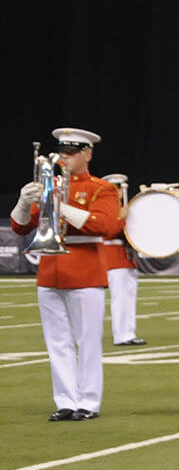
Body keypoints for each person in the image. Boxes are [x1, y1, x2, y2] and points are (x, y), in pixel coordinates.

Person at [11, 128, 121, 420]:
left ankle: (88, 402)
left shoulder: (102, 188)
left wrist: (59, 206)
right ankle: (65, 401)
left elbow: (103, 225)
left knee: (87, 341)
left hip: (85, 272)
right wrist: (24, 202)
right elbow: (21, 227)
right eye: (63, 153)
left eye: (72, 154)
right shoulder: (51, 183)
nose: (65, 158)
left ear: (87, 154)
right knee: (56, 342)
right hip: (50, 271)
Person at [98, 173, 144, 346]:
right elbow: (106, 231)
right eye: (115, 189)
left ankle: (128, 333)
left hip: (126, 256)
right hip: (112, 256)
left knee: (128, 297)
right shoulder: (104, 207)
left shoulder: (123, 206)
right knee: (120, 298)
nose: (118, 192)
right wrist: (121, 219)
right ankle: (122, 335)